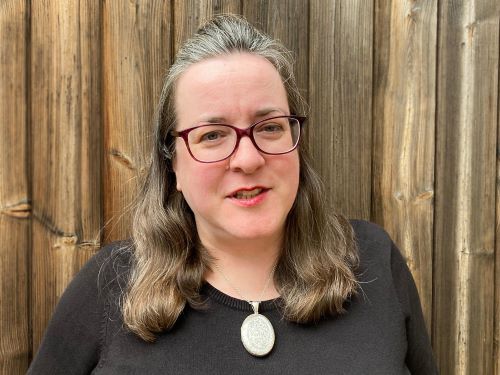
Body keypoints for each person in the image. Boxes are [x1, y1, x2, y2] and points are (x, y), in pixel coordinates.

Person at [28, 14, 438, 374]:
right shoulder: (109, 289)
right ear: (173, 164)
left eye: (270, 127)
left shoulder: (373, 264)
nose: (247, 158)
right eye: (212, 135)